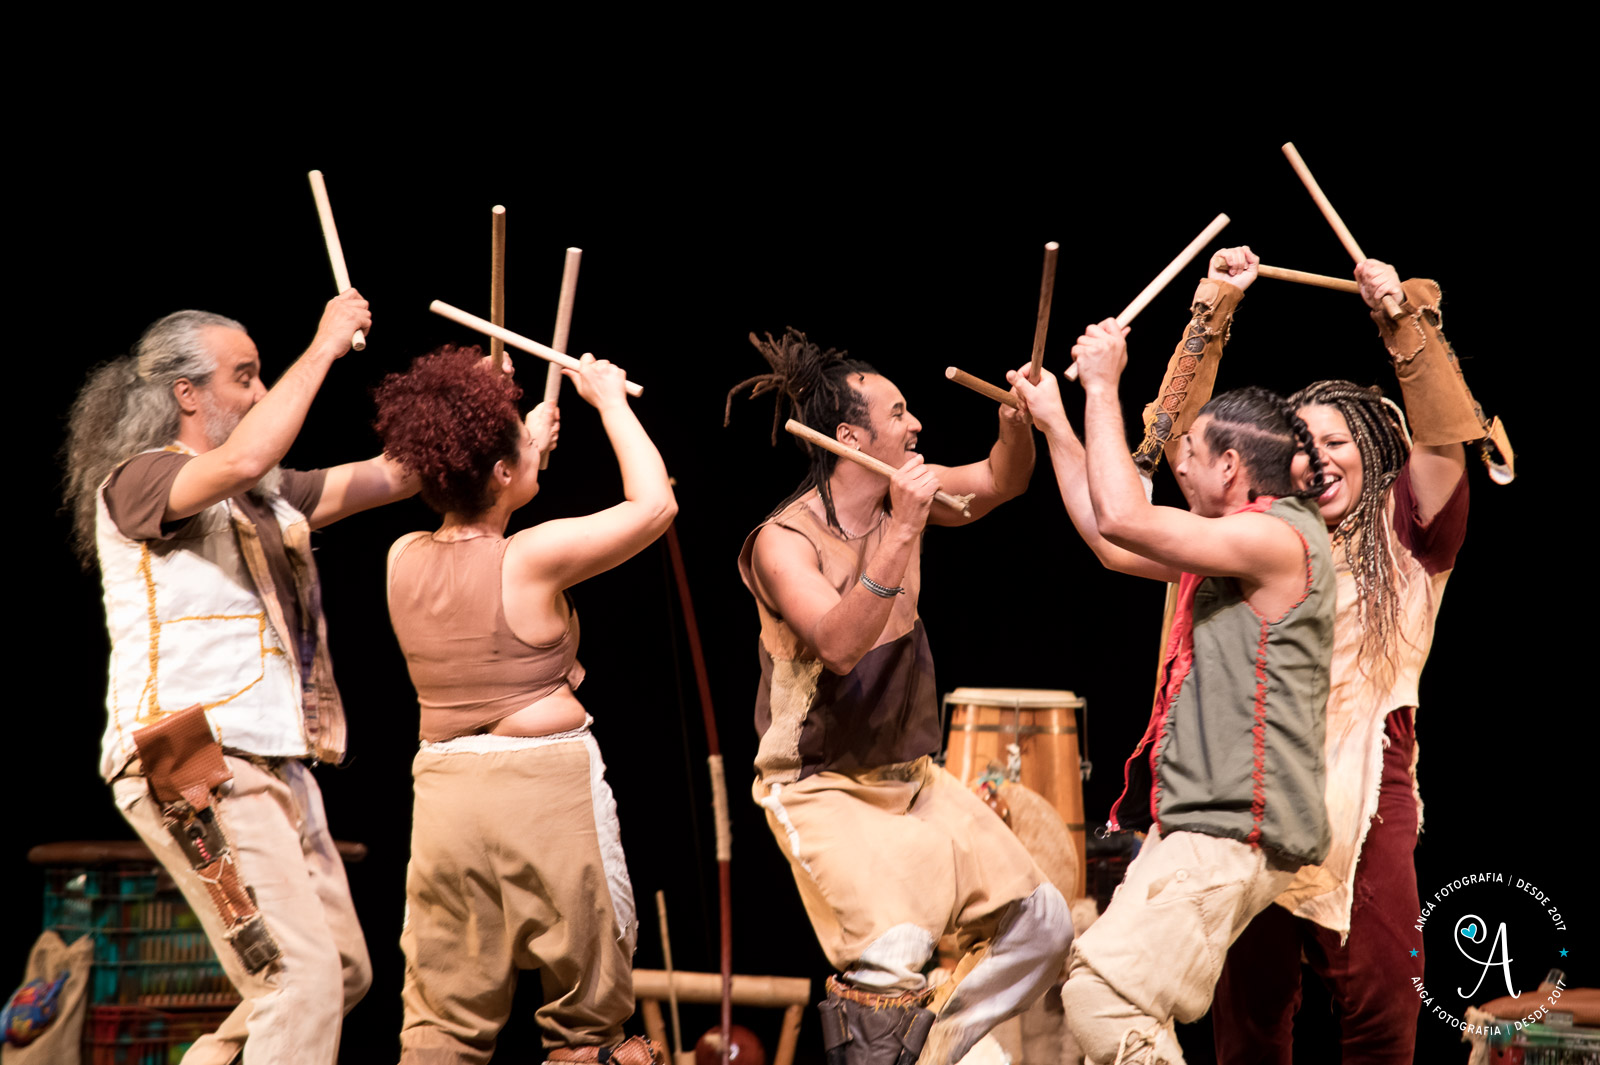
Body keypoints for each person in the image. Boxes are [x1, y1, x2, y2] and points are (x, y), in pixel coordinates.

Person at [63, 291, 407, 1065]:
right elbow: (246, 457)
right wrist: (324, 344)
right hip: (193, 753)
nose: (258, 392)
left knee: (340, 969)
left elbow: (392, 476)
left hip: (273, 759)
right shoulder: (141, 479)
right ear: (186, 393)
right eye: (243, 376)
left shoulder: (263, 499)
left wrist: (493, 422)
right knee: (298, 979)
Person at [726, 328, 1073, 1065]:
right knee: (894, 950)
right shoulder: (785, 541)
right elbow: (839, 644)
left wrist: (1016, 426)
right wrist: (907, 527)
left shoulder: (899, 497)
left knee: (1043, 926)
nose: (916, 424)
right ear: (851, 438)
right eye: (898, 413)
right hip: (821, 785)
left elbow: (1002, 479)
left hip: (910, 778)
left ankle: (929, 1051)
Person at [1013, 320, 1335, 1065]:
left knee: (1105, 998)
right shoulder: (1230, 542)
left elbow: (1125, 513)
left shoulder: (1277, 538)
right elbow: (1111, 535)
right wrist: (1058, 421)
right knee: (1105, 998)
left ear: (1230, 466)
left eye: (1188, 451)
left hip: (1231, 828)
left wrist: (1103, 386)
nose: (1177, 464)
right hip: (1200, 825)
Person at [1208, 253, 1489, 1064]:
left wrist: (1399, 321)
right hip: (1255, 790)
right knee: (1248, 1023)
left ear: (1372, 445)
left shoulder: (1409, 530)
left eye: (1337, 439)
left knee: (1383, 1008)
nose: (1319, 455)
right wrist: (1212, 311)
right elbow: (1155, 483)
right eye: (1303, 444)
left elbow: (1444, 438)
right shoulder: (1260, 536)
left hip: (1363, 789)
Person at [374, 346, 675, 1065]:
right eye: (517, 448)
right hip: (543, 794)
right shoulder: (531, 558)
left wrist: (519, 447)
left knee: (442, 1016)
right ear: (501, 472)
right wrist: (610, 401)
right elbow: (654, 505)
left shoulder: (401, 556)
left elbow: (479, 533)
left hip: (446, 795)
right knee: (586, 1012)